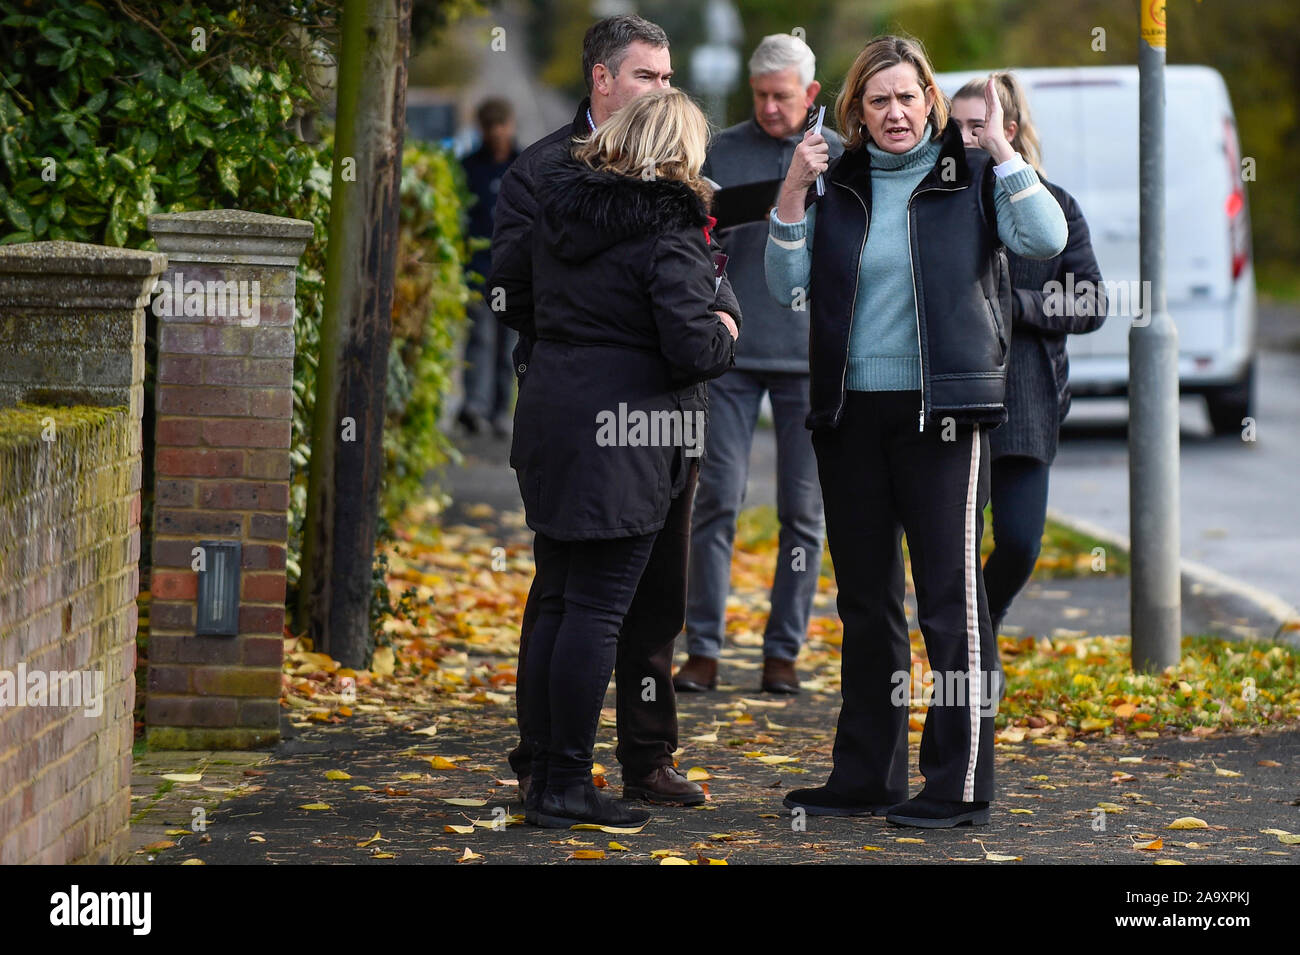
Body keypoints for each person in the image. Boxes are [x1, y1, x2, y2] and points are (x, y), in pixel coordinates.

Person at [764, 35, 1067, 828]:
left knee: (951, 603)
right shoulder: (841, 181)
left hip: (943, 415)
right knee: (866, 602)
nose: (895, 112)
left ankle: (961, 782)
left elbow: (1045, 239)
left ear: (930, 100)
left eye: (907, 96)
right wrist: (794, 189)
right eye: (878, 100)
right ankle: (867, 775)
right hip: (847, 414)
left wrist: (999, 144)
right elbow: (783, 282)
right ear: (855, 112)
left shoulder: (968, 174)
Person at [489, 14, 743, 810]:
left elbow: (534, 292)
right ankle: (557, 774)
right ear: (602, 78)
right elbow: (693, 341)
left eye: (668, 78)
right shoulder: (568, 184)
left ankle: (615, 761)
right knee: (590, 606)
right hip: (629, 428)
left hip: (572, 418)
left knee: (591, 598)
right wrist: (722, 326)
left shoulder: (569, 199)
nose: (661, 87)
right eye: (649, 75)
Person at [673, 34, 841, 697]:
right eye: (762, 96)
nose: (771, 108)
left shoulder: (838, 156)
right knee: (715, 501)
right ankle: (704, 649)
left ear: (811, 94)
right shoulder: (721, 149)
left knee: (803, 513)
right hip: (733, 355)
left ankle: (783, 653)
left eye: (783, 96)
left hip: (809, 356)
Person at [950, 73, 1107, 651]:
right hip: (952, 404)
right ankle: (972, 659)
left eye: (976, 127)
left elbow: (1091, 302)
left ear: (1005, 132)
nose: (964, 139)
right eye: (955, 128)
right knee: (957, 548)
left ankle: (978, 632)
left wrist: (1016, 305)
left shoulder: (1055, 204)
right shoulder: (937, 204)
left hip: (1027, 402)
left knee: (1019, 543)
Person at [457, 98, 521, 437]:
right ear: (482, 129)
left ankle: (500, 411)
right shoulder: (468, 168)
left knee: (506, 345)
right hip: (477, 270)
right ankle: (475, 407)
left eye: (502, 126)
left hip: (514, 273)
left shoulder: (524, 165)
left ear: (510, 126)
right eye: (490, 127)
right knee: (479, 339)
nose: (497, 133)